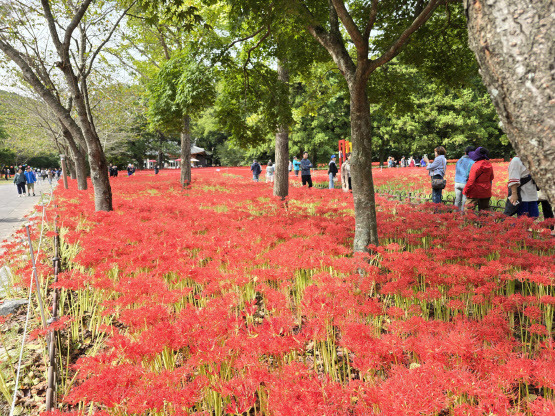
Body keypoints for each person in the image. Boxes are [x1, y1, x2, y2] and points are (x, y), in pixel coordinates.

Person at [463, 147, 494, 211]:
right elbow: (491, 177)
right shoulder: (489, 165)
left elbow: (471, 180)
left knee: (468, 210)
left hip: (475, 191)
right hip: (486, 191)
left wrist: (465, 190)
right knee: (484, 211)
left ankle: (472, 221)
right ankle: (484, 221)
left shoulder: (475, 165)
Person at [454, 146, 476, 211]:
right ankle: (462, 215)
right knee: (464, 201)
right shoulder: (472, 162)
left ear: (465, 153)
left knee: (457, 201)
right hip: (465, 183)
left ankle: (455, 215)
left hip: (457, 182)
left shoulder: (459, 160)